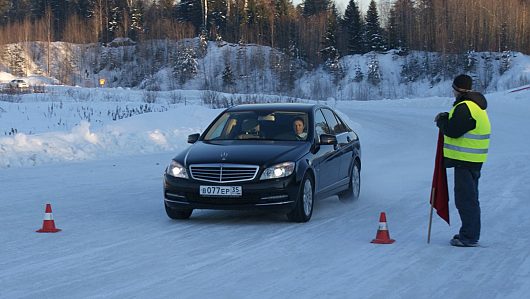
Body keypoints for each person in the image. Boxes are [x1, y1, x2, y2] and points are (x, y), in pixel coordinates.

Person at [434, 74, 491, 247]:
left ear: (456, 89)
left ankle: (469, 236)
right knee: (470, 198)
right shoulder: (476, 105)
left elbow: (453, 130)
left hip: (465, 160)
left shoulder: (465, 106)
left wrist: (442, 121)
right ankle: (469, 233)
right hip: (473, 160)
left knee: (466, 199)